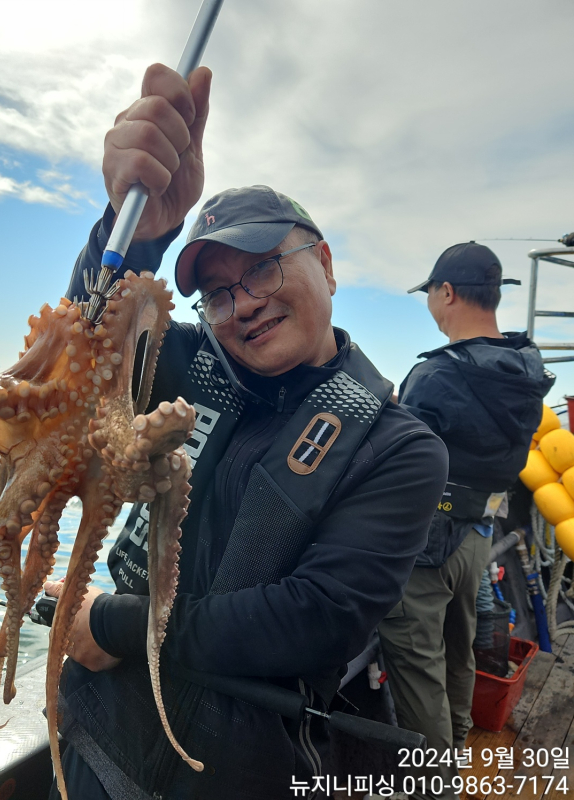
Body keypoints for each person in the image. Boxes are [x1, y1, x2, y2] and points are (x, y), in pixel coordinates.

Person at [43, 63, 448, 800]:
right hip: (99, 743)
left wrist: (111, 625)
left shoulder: (400, 447)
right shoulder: (188, 365)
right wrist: (133, 233)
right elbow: (82, 351)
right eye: (219, 294)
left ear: (324, 264)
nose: (245, 305)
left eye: (262, 269)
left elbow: (315, 619)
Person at [378, 242, 554, 799]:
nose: (431, 302)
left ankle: (435, 786)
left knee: (418, 663)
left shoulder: (433, 376)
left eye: (431, 292)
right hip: (478, 534)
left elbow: (395, 461)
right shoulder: (527, 368)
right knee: (461, 648)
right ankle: (457, 746)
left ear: (447, 292)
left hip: (426, 547)